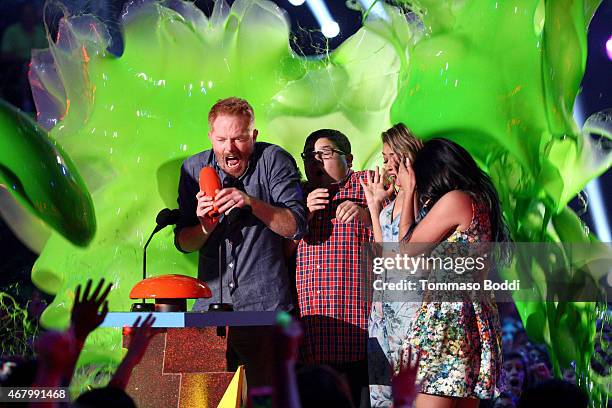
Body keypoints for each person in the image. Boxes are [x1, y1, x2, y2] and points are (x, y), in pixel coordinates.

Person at [174, 97, 307, 387]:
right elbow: (184, 242)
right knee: (202, 398)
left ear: (254, 135)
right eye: (221, 139)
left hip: (265, 310)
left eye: (238, 139)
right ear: (210, 136)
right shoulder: (193, 168)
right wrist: (205, 227)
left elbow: (296, 226)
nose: (229, 148)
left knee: (267, 398)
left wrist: (250, 202)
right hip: (209, 312)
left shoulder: (274, 160)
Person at [397, 138, 509, 407]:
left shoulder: (456, 200)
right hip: (470, 318)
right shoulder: (479, 201)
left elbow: (406, 251)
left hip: (448, 322)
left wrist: (409, 190)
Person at [295, 129, 373, 406]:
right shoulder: (296, 195)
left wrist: (366, 215)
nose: (315, 161)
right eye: (309, 156)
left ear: (349, 159)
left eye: (324, 154)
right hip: (314, 330)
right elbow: (279, 254)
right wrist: (304, 214)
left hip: (360, 327)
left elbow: (401, 239)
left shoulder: (369, 185)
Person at [360, 123, 423, 407]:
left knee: (411, 389)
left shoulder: (422, 197)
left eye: (388, 158)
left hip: (409, 306)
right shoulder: (394, 199)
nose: (385, 165)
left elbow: (410, 253)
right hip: (382, 307)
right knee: (381, 392)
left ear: (404, 154)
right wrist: (375, 208)